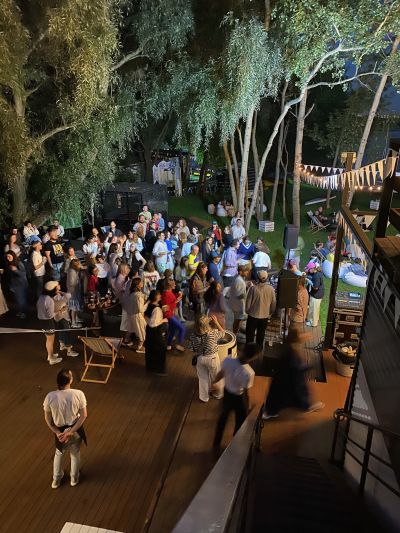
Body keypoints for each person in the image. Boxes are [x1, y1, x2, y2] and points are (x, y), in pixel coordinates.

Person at [262, 329, 324, 420]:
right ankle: (306, 406)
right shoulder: (290, 353)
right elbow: (296, 367)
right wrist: (308, 367)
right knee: (297, 392)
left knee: (279, 395)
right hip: (288, 379)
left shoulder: (287, 347)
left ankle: (270, 411)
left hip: (281, 378)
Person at [43, 369, 87, 488]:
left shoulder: (50, 396)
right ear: (70, 380)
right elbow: (84, 415)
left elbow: (47, 419)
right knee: (75, 453)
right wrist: (71, 431)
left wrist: (57, 432)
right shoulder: (79, 394)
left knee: (59, 453)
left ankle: (56, 480)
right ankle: (74, 478)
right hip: (75, 430)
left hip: (60, 432)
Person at [212, 342, 258, 449]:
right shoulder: (249, 373)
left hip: (227, 393)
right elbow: (246, 393)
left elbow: (221, 374)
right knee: (239, 422)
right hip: (239, 398)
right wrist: (248, 407)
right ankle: (235, 444)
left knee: (222, 419)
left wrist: (214, 383)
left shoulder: (228, 360)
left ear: (242, 350)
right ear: (253, 357)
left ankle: (216, 443)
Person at [36, 281, 78, 364]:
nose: (59, 285)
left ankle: (50, 355)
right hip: (48, 322)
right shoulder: (49, 300)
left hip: (42, 320)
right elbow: (50, 315)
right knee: (50, 341)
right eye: (57, 285)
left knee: (49, 340)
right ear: (54, 289)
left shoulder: (42, 297)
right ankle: (51, 358)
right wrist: (60, 310)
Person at [190, 315, 225, 402]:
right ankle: (218, 394)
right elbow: (223, 333)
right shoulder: (212, 333)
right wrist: (216, 322)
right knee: (216, 377)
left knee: (202, 378)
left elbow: (192, 348)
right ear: (207, 325)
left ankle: (204, 397)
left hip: (200, 359)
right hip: (212, 358)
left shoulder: (193, 335)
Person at [245, 270, 276, 348]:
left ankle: (248, 352)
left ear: (258, 278)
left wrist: (247, 311)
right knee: (261, 336)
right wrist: (270, 313)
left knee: (249, 336)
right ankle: (258, 352)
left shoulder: (253, 288)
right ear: (267, 278)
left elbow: (248, 303)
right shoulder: (271, 289)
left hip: (252, 315)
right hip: (264, 316)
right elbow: (273, 304)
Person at [144, 290, 169, 375]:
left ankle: (150, 367)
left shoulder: (149, 304)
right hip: (156, 331)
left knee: (150, 350)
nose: (160, 295)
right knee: (160, 350)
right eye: (159, 295)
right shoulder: (157, 309)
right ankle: (159, 370)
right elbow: (153, 323)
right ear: (156, 297)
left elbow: (146, 317)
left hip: (149, 331)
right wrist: (163, 320)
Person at [120, 277, 146, 352]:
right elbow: (141, 309)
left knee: (131, 328)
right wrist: (147, 303)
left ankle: (127, 341)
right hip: (137, 315)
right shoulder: (139, 295)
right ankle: (140, 347)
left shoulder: (132, 294)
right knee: (142, 331)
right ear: (138, 285)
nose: (143, 283)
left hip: (131, 315)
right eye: (141, 282)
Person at [161, 279, 186, 352]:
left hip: (171, 314)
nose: (175, 285)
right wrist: (176, 301)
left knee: (172, 330)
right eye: (174, 284)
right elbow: (165, 308)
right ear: (170, 285)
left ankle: (168, 346)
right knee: (182, 328)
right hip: (169, 315)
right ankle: (179, 344)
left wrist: (178, 296)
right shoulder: (166, 294)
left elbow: (171, 300)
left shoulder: (168, 292)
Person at [4, 251, 28, 318]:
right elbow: (11, 277)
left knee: (21, 300)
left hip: (21, 285)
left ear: (13, 256)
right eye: (7, 257)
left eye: (9, 256)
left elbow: (23, 274)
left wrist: (16, 270)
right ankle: (21, 311)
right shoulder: (9, 263)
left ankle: (23, 313)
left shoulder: (19, 263)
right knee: (18, 300)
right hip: (15, 285)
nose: (8, 258)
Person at [305, 262, 324, 327]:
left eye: (309, 269)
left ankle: (313, 323)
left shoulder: (316, 276)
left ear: (313, 268)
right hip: (316, 294)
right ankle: (311, 319)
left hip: (317, 295)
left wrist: (310, 282)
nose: (308, 271)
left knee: (314, 309)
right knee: (312, 308)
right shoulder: (317, 273)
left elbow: (316, 287)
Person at [66, 259, 83, 328]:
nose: (80, 265)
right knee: (73, 307)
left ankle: (76, 318)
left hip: (75, 291)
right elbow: (72, 283)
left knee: (75, 306)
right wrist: (76, 283)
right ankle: (73, 322)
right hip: (73, 292)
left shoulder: (74, 270)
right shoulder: (72, 272)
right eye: (79, 264)